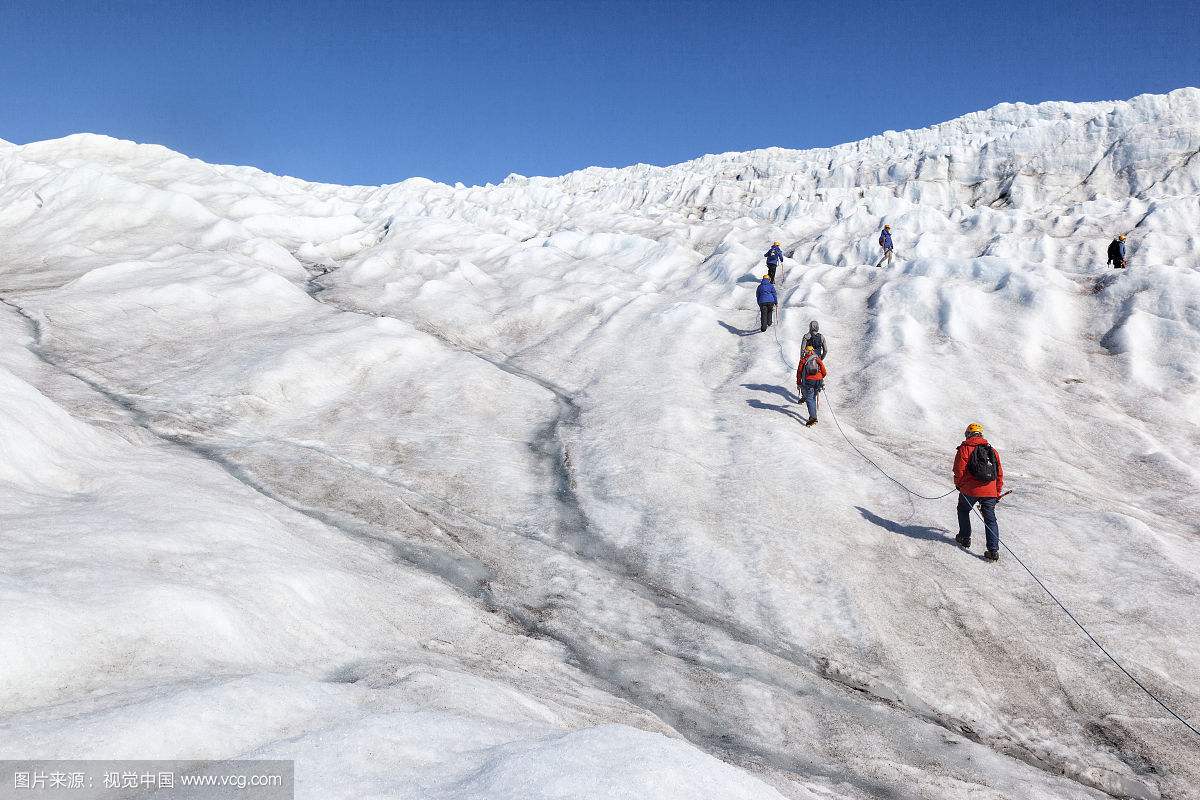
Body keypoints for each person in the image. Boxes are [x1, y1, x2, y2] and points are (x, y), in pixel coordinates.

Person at [953, 422, 1004, 561]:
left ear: (968, 434)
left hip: (970, 489)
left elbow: (959, 470)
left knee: (963, 510)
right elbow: (999, 473)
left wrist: (959, 484)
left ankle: (964, 537)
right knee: (990, 519)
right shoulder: (991, 450)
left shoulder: (965, 448)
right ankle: (993, 551)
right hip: (990, 491)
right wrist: (997, 492)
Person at [795, 345, 826, 426]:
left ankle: (813, 418)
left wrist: (798, 383)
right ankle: (813, 416)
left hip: (809, 382)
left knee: (809, 399)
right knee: (813, 398)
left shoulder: (803, 360)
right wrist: (820, 377)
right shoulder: (817, 358)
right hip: (818, 381)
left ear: (806, 351)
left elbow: (799, 372)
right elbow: (824, 370)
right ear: (812, 351)